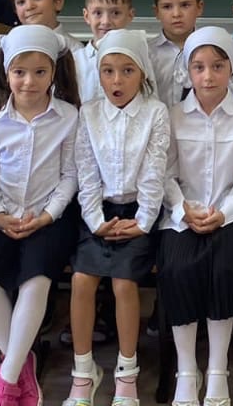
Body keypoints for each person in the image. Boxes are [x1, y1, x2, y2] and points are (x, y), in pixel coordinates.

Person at [0, 25, 82, 406]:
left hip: (49, 218)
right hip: (0, 214)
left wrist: (47, 215)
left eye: (39, 72)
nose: (29, 82)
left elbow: (70, 176)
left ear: (53, 73)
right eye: (19, 72)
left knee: (37, 278)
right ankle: (20, 366)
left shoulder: (68, 117)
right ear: (6, 73)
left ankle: (6, 379)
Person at [159, 27, 233, 406]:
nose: (207, 76)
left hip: (229, 216)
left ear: (231, 69)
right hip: (181, 216)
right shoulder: (172, 117)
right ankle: (187, 370)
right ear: (187, 72)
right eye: (198, 67)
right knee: (179, 268)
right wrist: (182, 209)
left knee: (225, 268)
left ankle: (218, 369)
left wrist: (225, 212)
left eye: (217, 66)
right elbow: (165, 174)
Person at [66, 29, 171, 406]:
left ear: (142, 73)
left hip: (140, 213)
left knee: (124, 284)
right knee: (81, 280)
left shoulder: (156, 113)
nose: (117, 80)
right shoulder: (89, 113)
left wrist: (142, 221)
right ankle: (83, 372)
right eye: (108, 71)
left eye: (127, 71)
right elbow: (86, 173)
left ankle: (127, 374)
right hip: (97, 212)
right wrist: (96, 220)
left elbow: (155, 172)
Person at [74, 0, 136, 105]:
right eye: (98, 13)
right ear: (86, 16)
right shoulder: (74, 62)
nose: (106, 21)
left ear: (130, 15)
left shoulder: (138, 61)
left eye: (115, 13)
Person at [150, 0, 205, 106]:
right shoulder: (147, 53)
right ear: (156, 12)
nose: (176, 14)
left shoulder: (211, 51)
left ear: (199, 7)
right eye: (167, 7)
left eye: (185, 5)